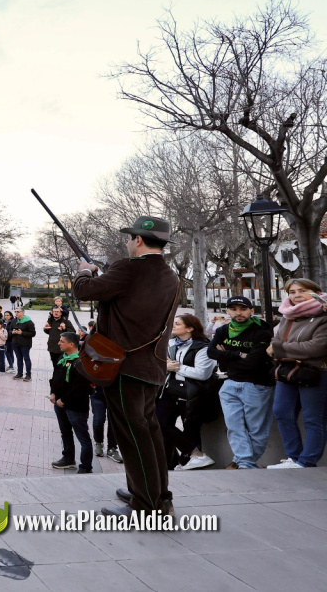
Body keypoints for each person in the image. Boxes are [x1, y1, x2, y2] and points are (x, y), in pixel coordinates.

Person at [73, 215, 179, 517]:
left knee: (133, 437)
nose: (127, 243)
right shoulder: (171, 276)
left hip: (123, 367)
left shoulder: (129, 268)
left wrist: (84, 271)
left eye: (129, 238)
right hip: (152, 367)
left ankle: (146, 506)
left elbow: (84, 291)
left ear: (139, 240)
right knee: (149, 433)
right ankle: (157, 496)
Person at [207, 295, 275, 470]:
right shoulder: (223, 330)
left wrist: (226, 355)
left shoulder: (262, 331)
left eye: (243, 309)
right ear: (227, 311)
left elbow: (253, 363)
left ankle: (242, 463)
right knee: (234, 427)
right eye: (234, 309)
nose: (238, 313)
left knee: (256, 429)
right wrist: (237, 354)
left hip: (256, 385)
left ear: (251, 311)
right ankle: (244, 463)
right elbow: (211, 352)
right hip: (230, 384)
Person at [267, 278, 327, 468]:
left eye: (302, 291)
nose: (297, 295)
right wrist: (282, 348)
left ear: (316, 293)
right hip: (288, 371)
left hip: (314, 372)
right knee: (281, 411)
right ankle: (293, 457)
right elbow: (276, 340)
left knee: (313, 418)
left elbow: (316, 347)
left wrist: (280, 348)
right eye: (292, 292)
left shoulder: (324, 315)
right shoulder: (288, 314)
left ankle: (307, 461)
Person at [158, 315, 217, 471]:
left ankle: (189, 461)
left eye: (177, 324)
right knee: (159, 421)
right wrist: (167, 367)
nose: (173, 326)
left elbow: (202, 373)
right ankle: (190, 456)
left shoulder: (203, 347)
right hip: (170, 390)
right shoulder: (171, 343)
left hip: (192, 394)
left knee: (191, 428)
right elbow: (163, 364)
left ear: (190, 328)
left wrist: (177, 368)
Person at [49, 332, 93, 474]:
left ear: (71, 344)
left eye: (62, 341)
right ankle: (68, 459)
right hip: (60, 404)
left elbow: (80, 387)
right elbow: (55, 377)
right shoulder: (62, 358)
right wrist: (53, 393)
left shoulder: (81, 361)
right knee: (65, 433)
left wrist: (64, 400)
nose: (59, 343)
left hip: (75, 406)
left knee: (83, 437)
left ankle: (86, 466)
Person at [9, 307, 36, 381]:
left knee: (26, 358)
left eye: (18, 312)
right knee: (19, 358)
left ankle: (28, 375)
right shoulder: (14, 320)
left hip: (25, 344)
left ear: (23, 312)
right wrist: (12, 332)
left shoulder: (28, 322)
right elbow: (9, 330)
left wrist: (22, 333)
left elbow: (33, 333)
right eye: (15, 312)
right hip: (15, 343)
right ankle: (19, 373)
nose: (16, 313)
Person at [43, 306, 69, 370]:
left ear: (61, 313)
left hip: (61, 348)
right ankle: (55, 376)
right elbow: (49, 332)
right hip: (52, 347)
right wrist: (46, 329)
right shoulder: (51, 321)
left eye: (57, 311)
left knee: (61, 366)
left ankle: (59, 376)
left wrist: (65, 329)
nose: (56, 313)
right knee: (55, 365)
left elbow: (72, 332)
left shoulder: (66, 322)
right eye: (54, 311)